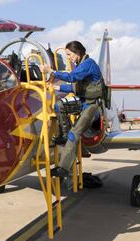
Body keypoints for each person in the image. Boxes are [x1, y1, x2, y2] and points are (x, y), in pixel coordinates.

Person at [40, 41, 104, 178]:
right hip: (83, 102)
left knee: (74, 133)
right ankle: (64, 136)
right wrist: (58, 88)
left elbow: (71, 77)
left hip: (93, 106)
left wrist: (51, 72)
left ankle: (63, 168)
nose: (68, 58)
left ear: (78, 52)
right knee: (59, 105)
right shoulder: (81, 65)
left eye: (69, 54)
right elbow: (77, 88)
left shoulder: (88, 64)